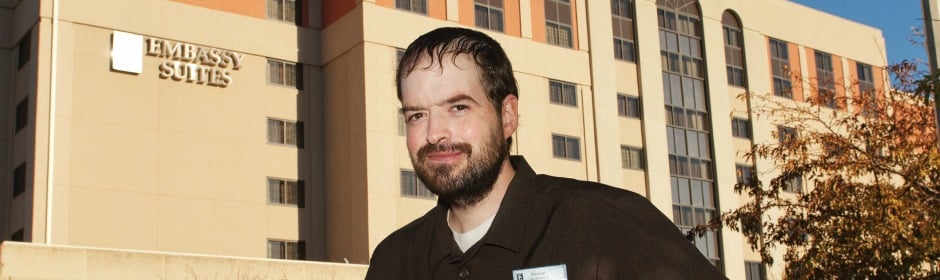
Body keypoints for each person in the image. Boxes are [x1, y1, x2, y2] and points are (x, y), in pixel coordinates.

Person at [365, 27, 726, 280]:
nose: (433, 133)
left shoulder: (604, 222)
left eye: (458, 107)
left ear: (507, 117)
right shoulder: (393, 261)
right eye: (416, 115)